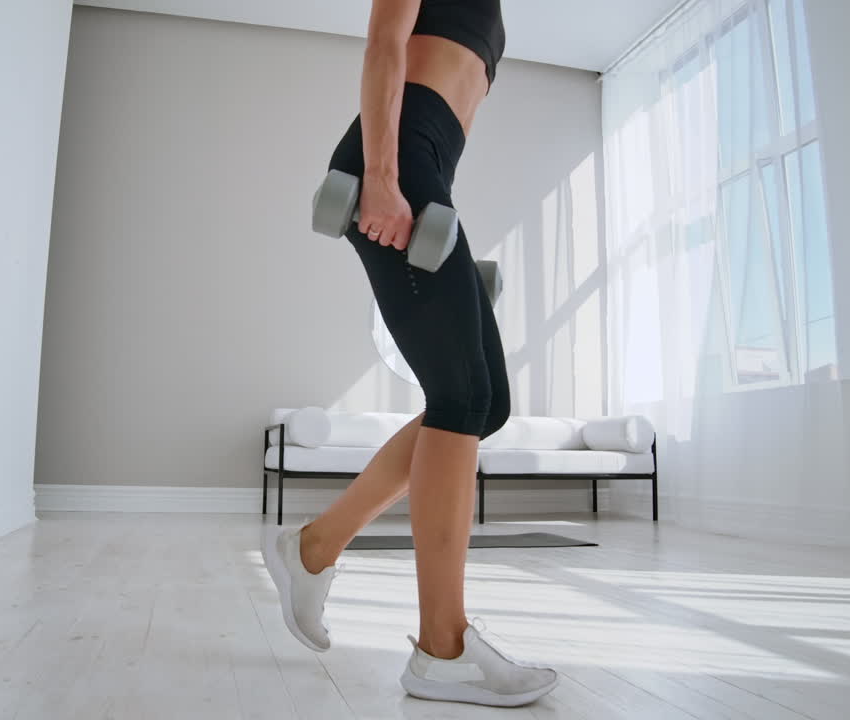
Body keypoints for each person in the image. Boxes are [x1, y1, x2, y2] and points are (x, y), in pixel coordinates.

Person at [261, 0, 559, 708]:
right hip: (392, 159)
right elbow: (385, 45)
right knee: (461, 399)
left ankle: (315, 546)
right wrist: (383, 175)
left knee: (486, 406)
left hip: (426, 167)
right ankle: (442, 648)